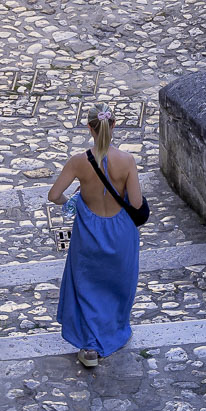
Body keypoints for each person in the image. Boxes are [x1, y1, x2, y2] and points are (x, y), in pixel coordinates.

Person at [49, 110, 146, 368]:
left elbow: (54, 194)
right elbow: (136, 203)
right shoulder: (127, 160)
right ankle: (113, 331)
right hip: (121, 232)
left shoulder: (78, 162)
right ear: (113, 126)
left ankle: (91, 344)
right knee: (118, 283)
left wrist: (72, 203)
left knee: (87, 284)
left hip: (89, 232)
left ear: (90, 129)